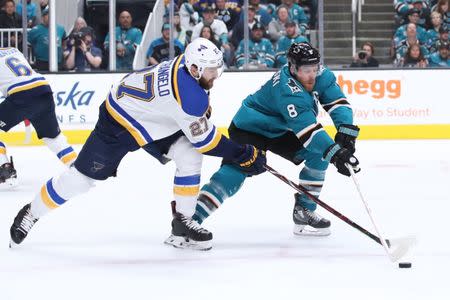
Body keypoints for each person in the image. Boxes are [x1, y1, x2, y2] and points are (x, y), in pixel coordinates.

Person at [9, 38, 266, 251]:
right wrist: (242, 153)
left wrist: (201, 115)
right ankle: (31, 212)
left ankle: (182, 223)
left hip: (151, 116)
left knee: (188, 155)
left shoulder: (186, 67)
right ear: (196, 69)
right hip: (118, 123)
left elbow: (190, 111)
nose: (217, 74)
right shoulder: (189, 96)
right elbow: (207, 141)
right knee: (80, 181)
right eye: (212, 70)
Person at [192, 42, 360, 239]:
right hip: (250, 127)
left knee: (319, 156)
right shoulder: (287, 89)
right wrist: (336, 154)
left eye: (315, 69)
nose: (312, 75)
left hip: (280, 130)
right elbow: (309, 133)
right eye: (306, 70)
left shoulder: (322, 75)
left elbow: (338, 102)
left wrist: (346, 132)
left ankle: (304, 211)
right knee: (236, 172)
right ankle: (191, 219)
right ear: (293, 67)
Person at [0, 47, 77, 187]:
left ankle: (5, 167)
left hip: (20, 96)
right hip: (43, 89)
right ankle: (79, 169)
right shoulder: (13, 50)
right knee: (53, 137)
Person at [27, 6, 67, 71]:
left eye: (51, 15)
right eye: (47, 15)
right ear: (43, 17)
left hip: (58, 60)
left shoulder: (61, 28)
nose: (50, 17)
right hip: (42, 61)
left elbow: (64, 40)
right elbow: (28, 44)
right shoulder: (35, 30)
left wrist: (63, 51)